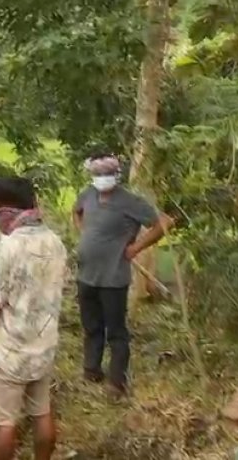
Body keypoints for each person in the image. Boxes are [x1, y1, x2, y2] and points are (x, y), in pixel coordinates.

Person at [0, 177, 67, 460]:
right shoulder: (55, 242)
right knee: (42, 412)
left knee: (5, 423)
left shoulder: (7, 247)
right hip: (44, 343)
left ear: (4, 210)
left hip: (9, 349)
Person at [73, 153, 173, 397]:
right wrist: (84, 232)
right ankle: (92, 370)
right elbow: (76, 211)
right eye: (97, 175)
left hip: (113, 277)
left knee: (116, 331)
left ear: (116, 176)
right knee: (91, 326)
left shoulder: (130, 201)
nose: (102, 179)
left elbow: (164, 223)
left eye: (107, 175)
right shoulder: (88, 194)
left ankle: (116, 382)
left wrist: (136, 248)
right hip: (86, 274)